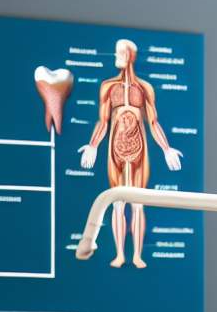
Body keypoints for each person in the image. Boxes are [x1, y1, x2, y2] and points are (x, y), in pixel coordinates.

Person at [78, 38, 182, 268]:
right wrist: (93, 145)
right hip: (115, 148)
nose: (116, 57)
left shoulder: (144, 88)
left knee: (137, 202)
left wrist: (166, 149)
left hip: (139, 148)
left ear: (130, 56)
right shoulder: (108, 86)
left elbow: (153, 122)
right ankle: (119, 254)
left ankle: (136, 254)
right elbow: (103, 121)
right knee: (117, 201)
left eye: (119, 53)